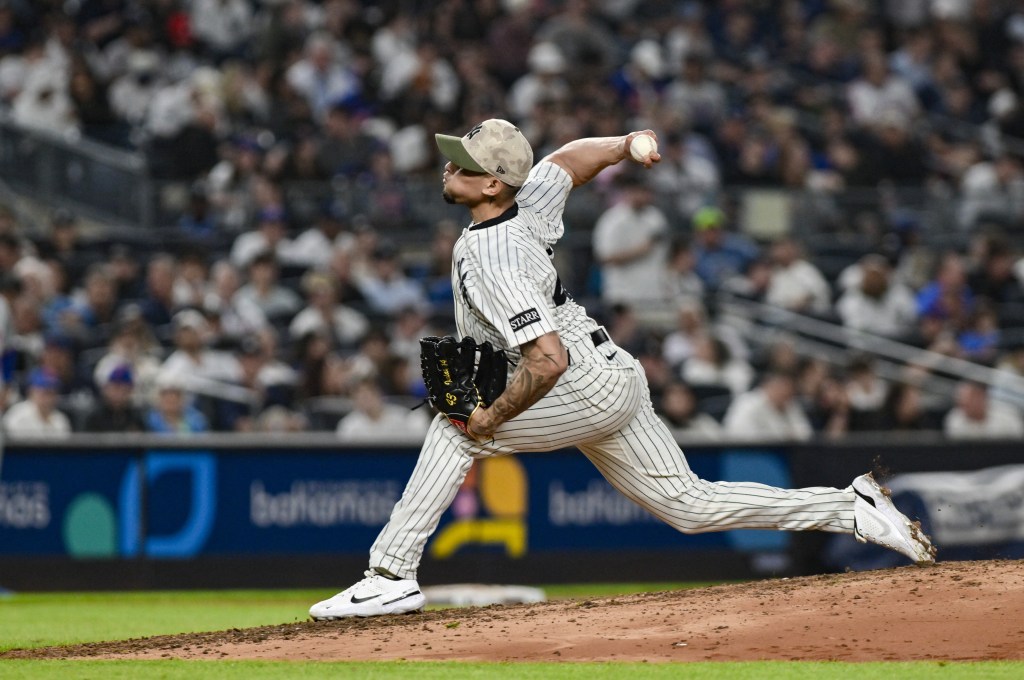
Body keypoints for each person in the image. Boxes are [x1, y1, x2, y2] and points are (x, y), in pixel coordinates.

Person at [308, 119, 935, 620]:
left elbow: (546, 361)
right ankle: (850, 508)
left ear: (494, 184)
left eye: (463, 163)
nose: (449, 166)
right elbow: (571, 159)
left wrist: (490, 417)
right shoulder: (529, 200)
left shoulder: (491, 253)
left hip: (579, 377)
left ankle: (389, 576)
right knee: (688, 505)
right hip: (614, 370)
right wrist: (626, 143)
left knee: (454, 431)